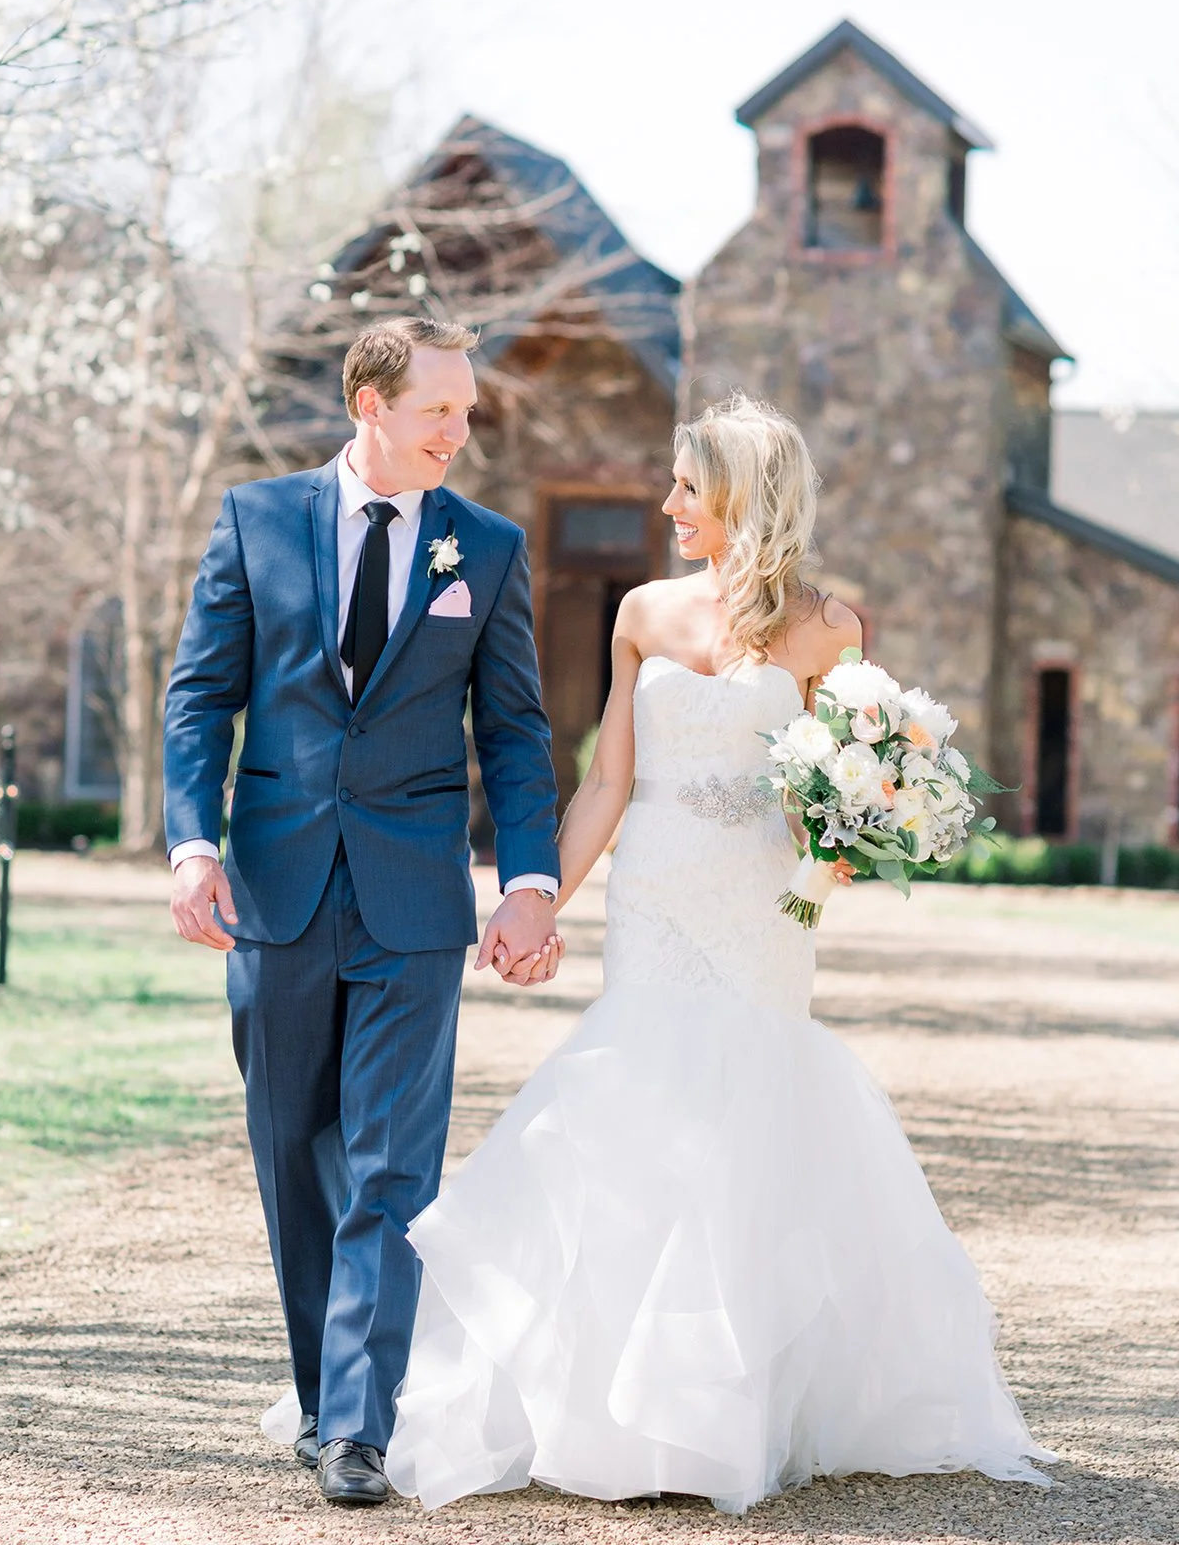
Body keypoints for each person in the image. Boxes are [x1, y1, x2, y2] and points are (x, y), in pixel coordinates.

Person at [382, 391, 1055, 1514]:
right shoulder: (642, 608)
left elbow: (841, 786)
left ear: (744, 494)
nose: (668, 502)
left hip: (757, 910)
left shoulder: (829, 630)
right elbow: (606, 775)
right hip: (651, 893)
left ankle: (719, 1413)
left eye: (688, 485)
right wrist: (538, 898)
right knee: (633, 1111)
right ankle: (598, 1405)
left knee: (743, 1125)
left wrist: (854, 836)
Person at [162, 316, 564, 1508]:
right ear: (369, 405)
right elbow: (199, 699)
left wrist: (529, 879)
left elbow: (515, 730)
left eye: (467, 408)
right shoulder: (255, 519)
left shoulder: (483, 548)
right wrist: (193, 846)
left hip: (412, 901)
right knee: (294, 1157)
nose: (461, 428)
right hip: (274, 891)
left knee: (391, 1168)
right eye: (440, 408)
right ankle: (321, 1389)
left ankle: (357, 1425)